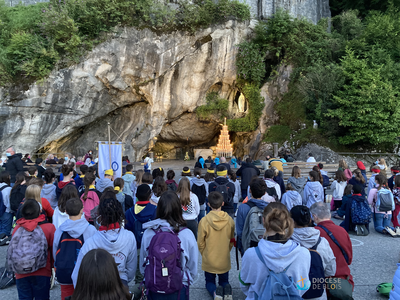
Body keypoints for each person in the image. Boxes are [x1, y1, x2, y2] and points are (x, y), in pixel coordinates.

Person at [239, 202, 311, 299]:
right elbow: (303, 286)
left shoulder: (251, 254)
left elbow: (244, 285)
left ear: (264, 221)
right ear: (288, 222)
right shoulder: (304, 253)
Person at [139, 191, 198, 300]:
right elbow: (193, 265)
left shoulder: (148, 233)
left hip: (154, 285)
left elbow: (143, 263)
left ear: (159, 208)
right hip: (179, 286)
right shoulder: (186, 234)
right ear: (178, 209)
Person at [72, 197, 137, 287]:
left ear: (99, 217)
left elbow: (77, 274)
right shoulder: (130, 237)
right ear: (120, 215)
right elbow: (131, 269)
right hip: (121, 283)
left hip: (98, 284)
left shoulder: (91, 241)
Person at [8, 199, 56, 300]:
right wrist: (53, 267)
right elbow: (54, 250)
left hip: (20, 271)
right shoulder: (49, 228)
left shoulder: (17, 229)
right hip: (42, 270)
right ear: (40, 211)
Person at [53, 198, 97, 299]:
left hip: (65, 270)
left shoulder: (60, 230)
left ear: (66, 211)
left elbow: (55, 250)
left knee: (66, 293)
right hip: (84, 272)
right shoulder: (90, 229)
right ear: (82, 210)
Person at [290, 205, 337, 300]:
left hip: (293, 293)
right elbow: (331, 270)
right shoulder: (322, 241)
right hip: (317, 293)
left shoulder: (287, 243)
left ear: (292, 221)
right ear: (310, 220)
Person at [312, 202, 354, 299]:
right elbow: (349, 258)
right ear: (330, 215)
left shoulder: (314, 233)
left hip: (322, 282)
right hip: (342, 280)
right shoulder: (342, 231)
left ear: (314, 216)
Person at [198, 191, 235, 300]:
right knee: (224, 280)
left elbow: (200, 242)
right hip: (223, 257)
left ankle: (215, 292)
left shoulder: (204, 221)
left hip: (209, 257)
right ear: (222, 203)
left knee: (209, 281)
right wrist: (227, 250)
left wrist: (204, 253)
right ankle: (227, 290)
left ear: (208, 204)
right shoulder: (230, 220)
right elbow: (232, 239)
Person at [236, 178, 269, 255]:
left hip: (248, 244)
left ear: (250, 190)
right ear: (264, 193)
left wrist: (241, 246)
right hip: (266, 244)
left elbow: (240, 231)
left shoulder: (243, 207)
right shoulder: (270, 208)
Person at [0, 171, 12, 246]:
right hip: (6, 210)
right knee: (5, 228)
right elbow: (8, 201)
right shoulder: (8, 189)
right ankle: (3, 239)